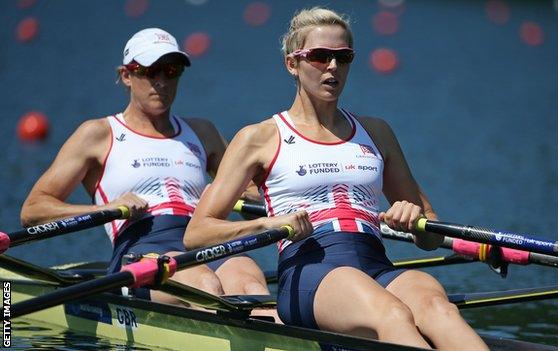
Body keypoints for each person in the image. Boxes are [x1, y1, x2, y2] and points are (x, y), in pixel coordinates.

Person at [183, 7, 489, 350]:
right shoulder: (260, 137)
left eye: (343, 57)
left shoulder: (376, 132)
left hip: (377, 265)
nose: (332, 66)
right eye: (319, 56)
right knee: (392, 314)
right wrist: (268, 224)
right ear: (291, 64)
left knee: (439, 308)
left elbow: (431, 232)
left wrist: (414, 220)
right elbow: (198, 233)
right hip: (310, 273)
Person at [20, 28, 273, 308]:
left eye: (171, 70)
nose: (162, 81)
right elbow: (33, 210)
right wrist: (105, 209)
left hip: (205, 236)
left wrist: (222, 194)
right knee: (205, 286)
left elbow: (252, 192)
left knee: (251, 284)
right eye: (150, 71)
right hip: (143, 247)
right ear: (127, 75)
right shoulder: (98, 134)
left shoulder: (203, 132)